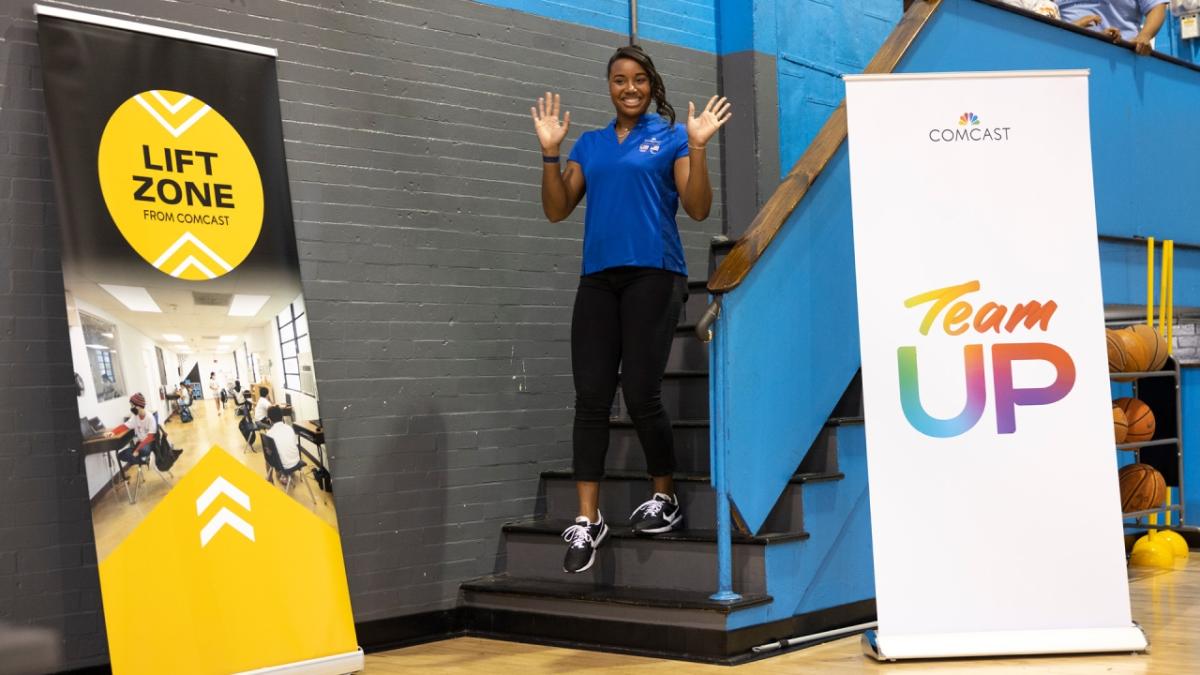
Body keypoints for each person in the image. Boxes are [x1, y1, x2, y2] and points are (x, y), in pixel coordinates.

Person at [531, 45, 731, 574]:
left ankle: (664, 498)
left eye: (639, 79)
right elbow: (556, 210)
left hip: (654, 273)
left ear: (651, 85)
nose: (630, 88)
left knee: (641, 392)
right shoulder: (590, 144)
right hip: (598, 280)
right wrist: (551, 154)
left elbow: (697, 207)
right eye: (620, 80)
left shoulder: (670, 139)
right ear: (609, 86)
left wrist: (699, 146)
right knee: (591, 398)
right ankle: (588, 520)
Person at [1058, 0, 1168, 53]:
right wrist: (1074, 28)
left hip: (1121, 54)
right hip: (1065, 50)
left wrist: (1144, 36)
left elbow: (1157, 7)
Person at [117, 393, 157, 478]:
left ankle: (148, 456)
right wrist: (113, 432)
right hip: (140, 444)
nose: (131, 408)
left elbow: (150, 437)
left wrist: (137, 450)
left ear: (138, 406)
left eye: (132, 405)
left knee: (143, 450)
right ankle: (146, 461)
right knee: (121, 455)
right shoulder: (135, 417)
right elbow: (125, 426)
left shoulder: (150, 418)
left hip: (150, 444)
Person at [264, 405, 301, 482]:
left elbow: (270, 453)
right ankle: (289, 474)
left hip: (283, 466)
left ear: (269, 419)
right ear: (282, 417)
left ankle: (270, 479)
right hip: (296, 461)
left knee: (267, 455)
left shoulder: (269, 433)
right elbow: (296, 445)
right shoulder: (289, 428)